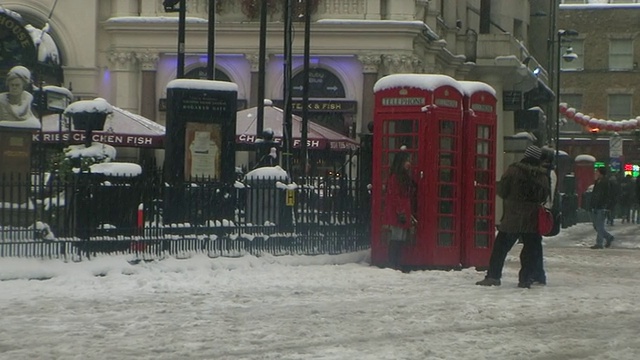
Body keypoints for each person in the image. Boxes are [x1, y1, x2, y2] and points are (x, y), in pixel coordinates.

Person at [476, 145, 550, 288]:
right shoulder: (542, 175)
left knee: (500, 248)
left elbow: (503, 190)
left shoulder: (513, 170)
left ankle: (493, 276)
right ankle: (525, 279)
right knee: (530, 250)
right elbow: (543, 196)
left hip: (513, 216)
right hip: (532, 218)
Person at [382, 150, 416, 270]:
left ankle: (396, 262)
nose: (409, 163)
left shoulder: (404, 176)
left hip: (404, 210)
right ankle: (392, 262)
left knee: (401, 237)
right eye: (407, 160)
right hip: (397, 211)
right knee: (396, 236)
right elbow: (394, 196)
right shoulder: (395, 177)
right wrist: (400, 211)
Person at [589, 167, 615, 249]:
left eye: (597, 172)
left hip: (602, 206)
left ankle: (599, 243)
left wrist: (606, 206)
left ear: (601, 173)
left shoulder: (606, 182)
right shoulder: (597, 182)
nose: (595, 173)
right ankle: (608, 237)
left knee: (600, 226)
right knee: (596, 226)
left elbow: (607, 195)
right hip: (595, 206)